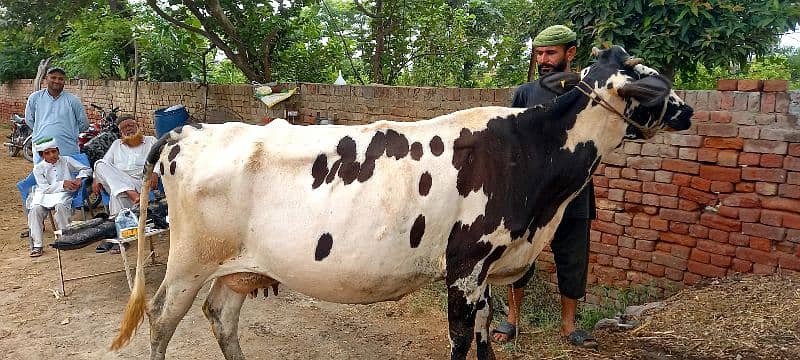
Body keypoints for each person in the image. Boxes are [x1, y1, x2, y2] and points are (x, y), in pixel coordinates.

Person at [490, 25, 598, 349]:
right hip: (532, 194)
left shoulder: (586, 91)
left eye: (550, 53)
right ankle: (512, 319)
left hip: (573, 191)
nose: (543, 60)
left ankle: (568, 327)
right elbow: (511, 139)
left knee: (573, 258)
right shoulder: (525, 93)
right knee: (520, 255)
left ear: (571, 53)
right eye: (539, 53)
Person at [92, 114, 158, 253]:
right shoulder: (116, 145)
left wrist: (155, 172)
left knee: (117, 196)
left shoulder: (151, 141)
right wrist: (95, 178)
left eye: (131, 125)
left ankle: (116, 235)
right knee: (99, 163)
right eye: (124, 128)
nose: (128, 129)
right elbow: (104, 163)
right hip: (118, 182)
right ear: (121, 132)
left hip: (141, 183)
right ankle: (132, 195)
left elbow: (162, 157)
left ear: (137, 126)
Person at [26, 138, 92, 257]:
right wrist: (63, 183)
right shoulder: (38, 168)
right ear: (42, 155)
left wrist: (79, 178)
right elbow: (45, 188)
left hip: (64, 193)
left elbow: (86, 169)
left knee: (60, 206)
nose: (52, 155)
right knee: (35, 210)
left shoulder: (66, 160)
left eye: (54, 151)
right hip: (44, 195)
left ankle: (65, 238)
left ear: (58, 151)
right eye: (47, 153)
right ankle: (37, 244)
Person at [25, 67, 89, 163]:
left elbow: (84, 124)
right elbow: (29, 120)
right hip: (42, 149)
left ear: (64, 81)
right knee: (43, 176)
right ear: (46, 78)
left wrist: (69, 133)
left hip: (67, 150)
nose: (57, 81)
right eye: (53, 77)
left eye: (60, 79)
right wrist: (42, 131)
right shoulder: (35, 98)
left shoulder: (73, 100)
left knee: (67, 177)